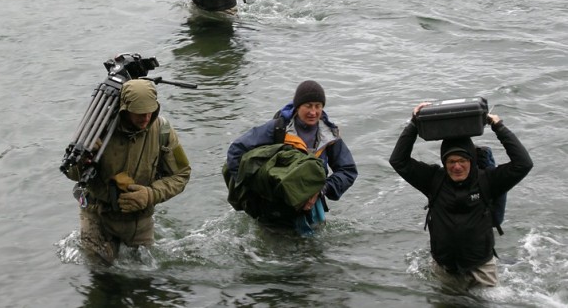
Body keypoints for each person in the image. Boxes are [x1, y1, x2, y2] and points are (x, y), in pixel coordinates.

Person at [389, 102, 533, 289]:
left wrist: (499, 127)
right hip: (444, 268)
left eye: (463, 160)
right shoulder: (433, 180)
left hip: (481, 268)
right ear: (444, 162)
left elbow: (523, 164)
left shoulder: (489, 180)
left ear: (471, 161)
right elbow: (398, 161)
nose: (457, 167)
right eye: (451, 161)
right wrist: (414, 124)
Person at [65, 79, 191, 263]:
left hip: (139, 218)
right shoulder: (98, 130)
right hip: (97, 215)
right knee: (99, 274)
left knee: (143, 279)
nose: (146, 118)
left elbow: (182, 174)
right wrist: (84, 159)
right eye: (139, 113)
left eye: (150, 111)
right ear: (125, 110)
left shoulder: (162, 131)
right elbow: (71, 173)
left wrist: (150, 194)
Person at [225, 80, 358, 231]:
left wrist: (322, 189)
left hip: (311, 209)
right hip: (273, 210)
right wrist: (251, 188)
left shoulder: (330, 136)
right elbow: (236, 150)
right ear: (297, 106)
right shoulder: (277, 128)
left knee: (313, 253)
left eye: (318, 106)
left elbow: (348, 170)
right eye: (308, 106)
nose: (313, 112)